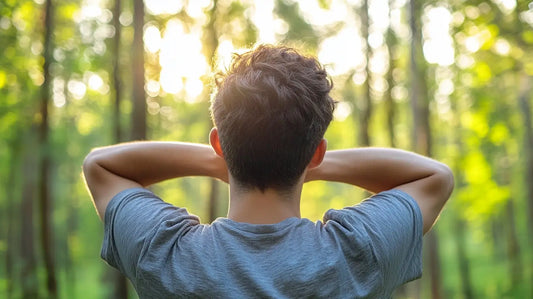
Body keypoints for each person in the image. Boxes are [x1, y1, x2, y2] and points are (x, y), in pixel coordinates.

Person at [83, 45, 454, 298]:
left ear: (218, 144)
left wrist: (227, 157)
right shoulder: (355, 252)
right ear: (317, 153)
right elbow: (434, 177)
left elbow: (100, 165)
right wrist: (303, 159)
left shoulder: (166, 254)